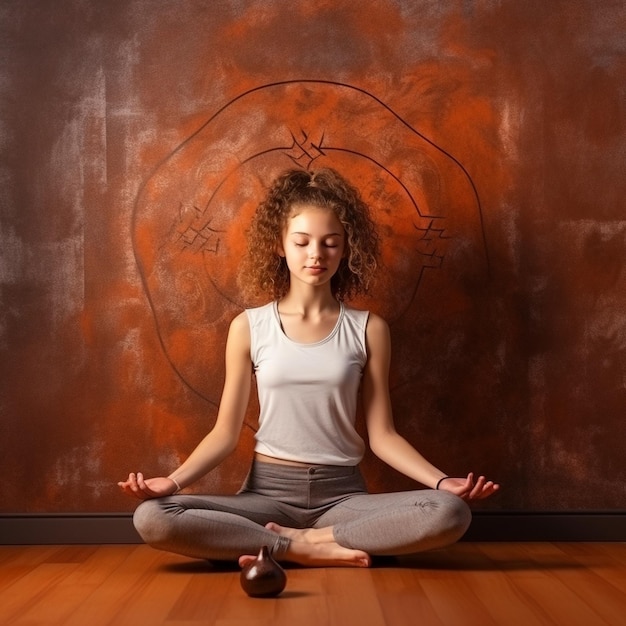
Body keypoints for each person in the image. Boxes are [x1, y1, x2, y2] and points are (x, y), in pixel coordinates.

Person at [118, 167, 499, 568]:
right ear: (280, 245)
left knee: (449, 513)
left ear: (347, 248)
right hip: (266, 496)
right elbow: (225, 434)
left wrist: (442, 481)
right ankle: (298, 548)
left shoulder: (369, 329)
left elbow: (383, 436)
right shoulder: (249, 327)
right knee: (153, 516)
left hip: (343, 499)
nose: (316, 254)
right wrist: (173, 482)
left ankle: (297, 541)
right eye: (302, 242)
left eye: (330, 243)